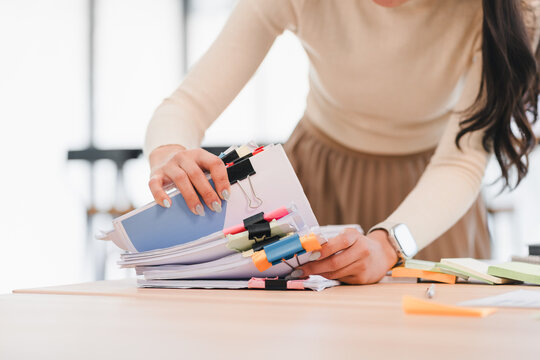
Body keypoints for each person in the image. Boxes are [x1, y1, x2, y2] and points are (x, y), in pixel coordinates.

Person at [144, 0, 540, 284]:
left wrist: (391, 244)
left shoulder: (514, 11)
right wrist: (170, 152)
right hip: (316, 182)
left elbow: (463, 159)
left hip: (432, 202)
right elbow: (189, 103)